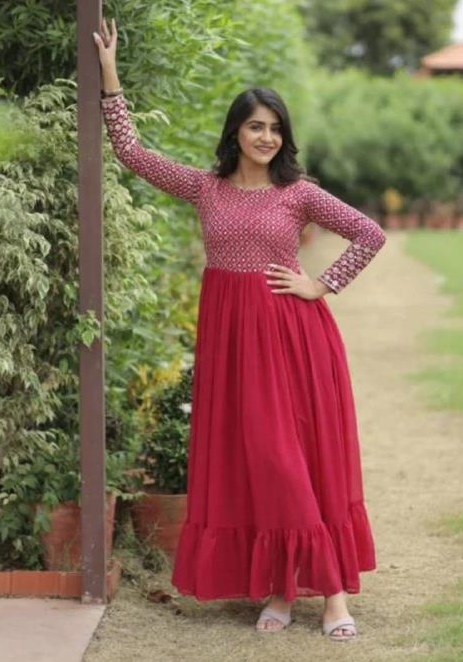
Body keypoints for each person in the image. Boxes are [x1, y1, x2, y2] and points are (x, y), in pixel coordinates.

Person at [93, 17, 386, 640]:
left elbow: (369, 233)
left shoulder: (298, 193)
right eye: (256, 126)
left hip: (292, 337)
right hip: (231, 340)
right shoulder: (206, 188)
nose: (267, 137)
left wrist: (321, 284)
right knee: (260, 460)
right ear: (235, 132)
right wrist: (110, 76)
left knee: (292, 457)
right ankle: (279, 587)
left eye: (276, 128)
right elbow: (133, 154)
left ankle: (333, 596)